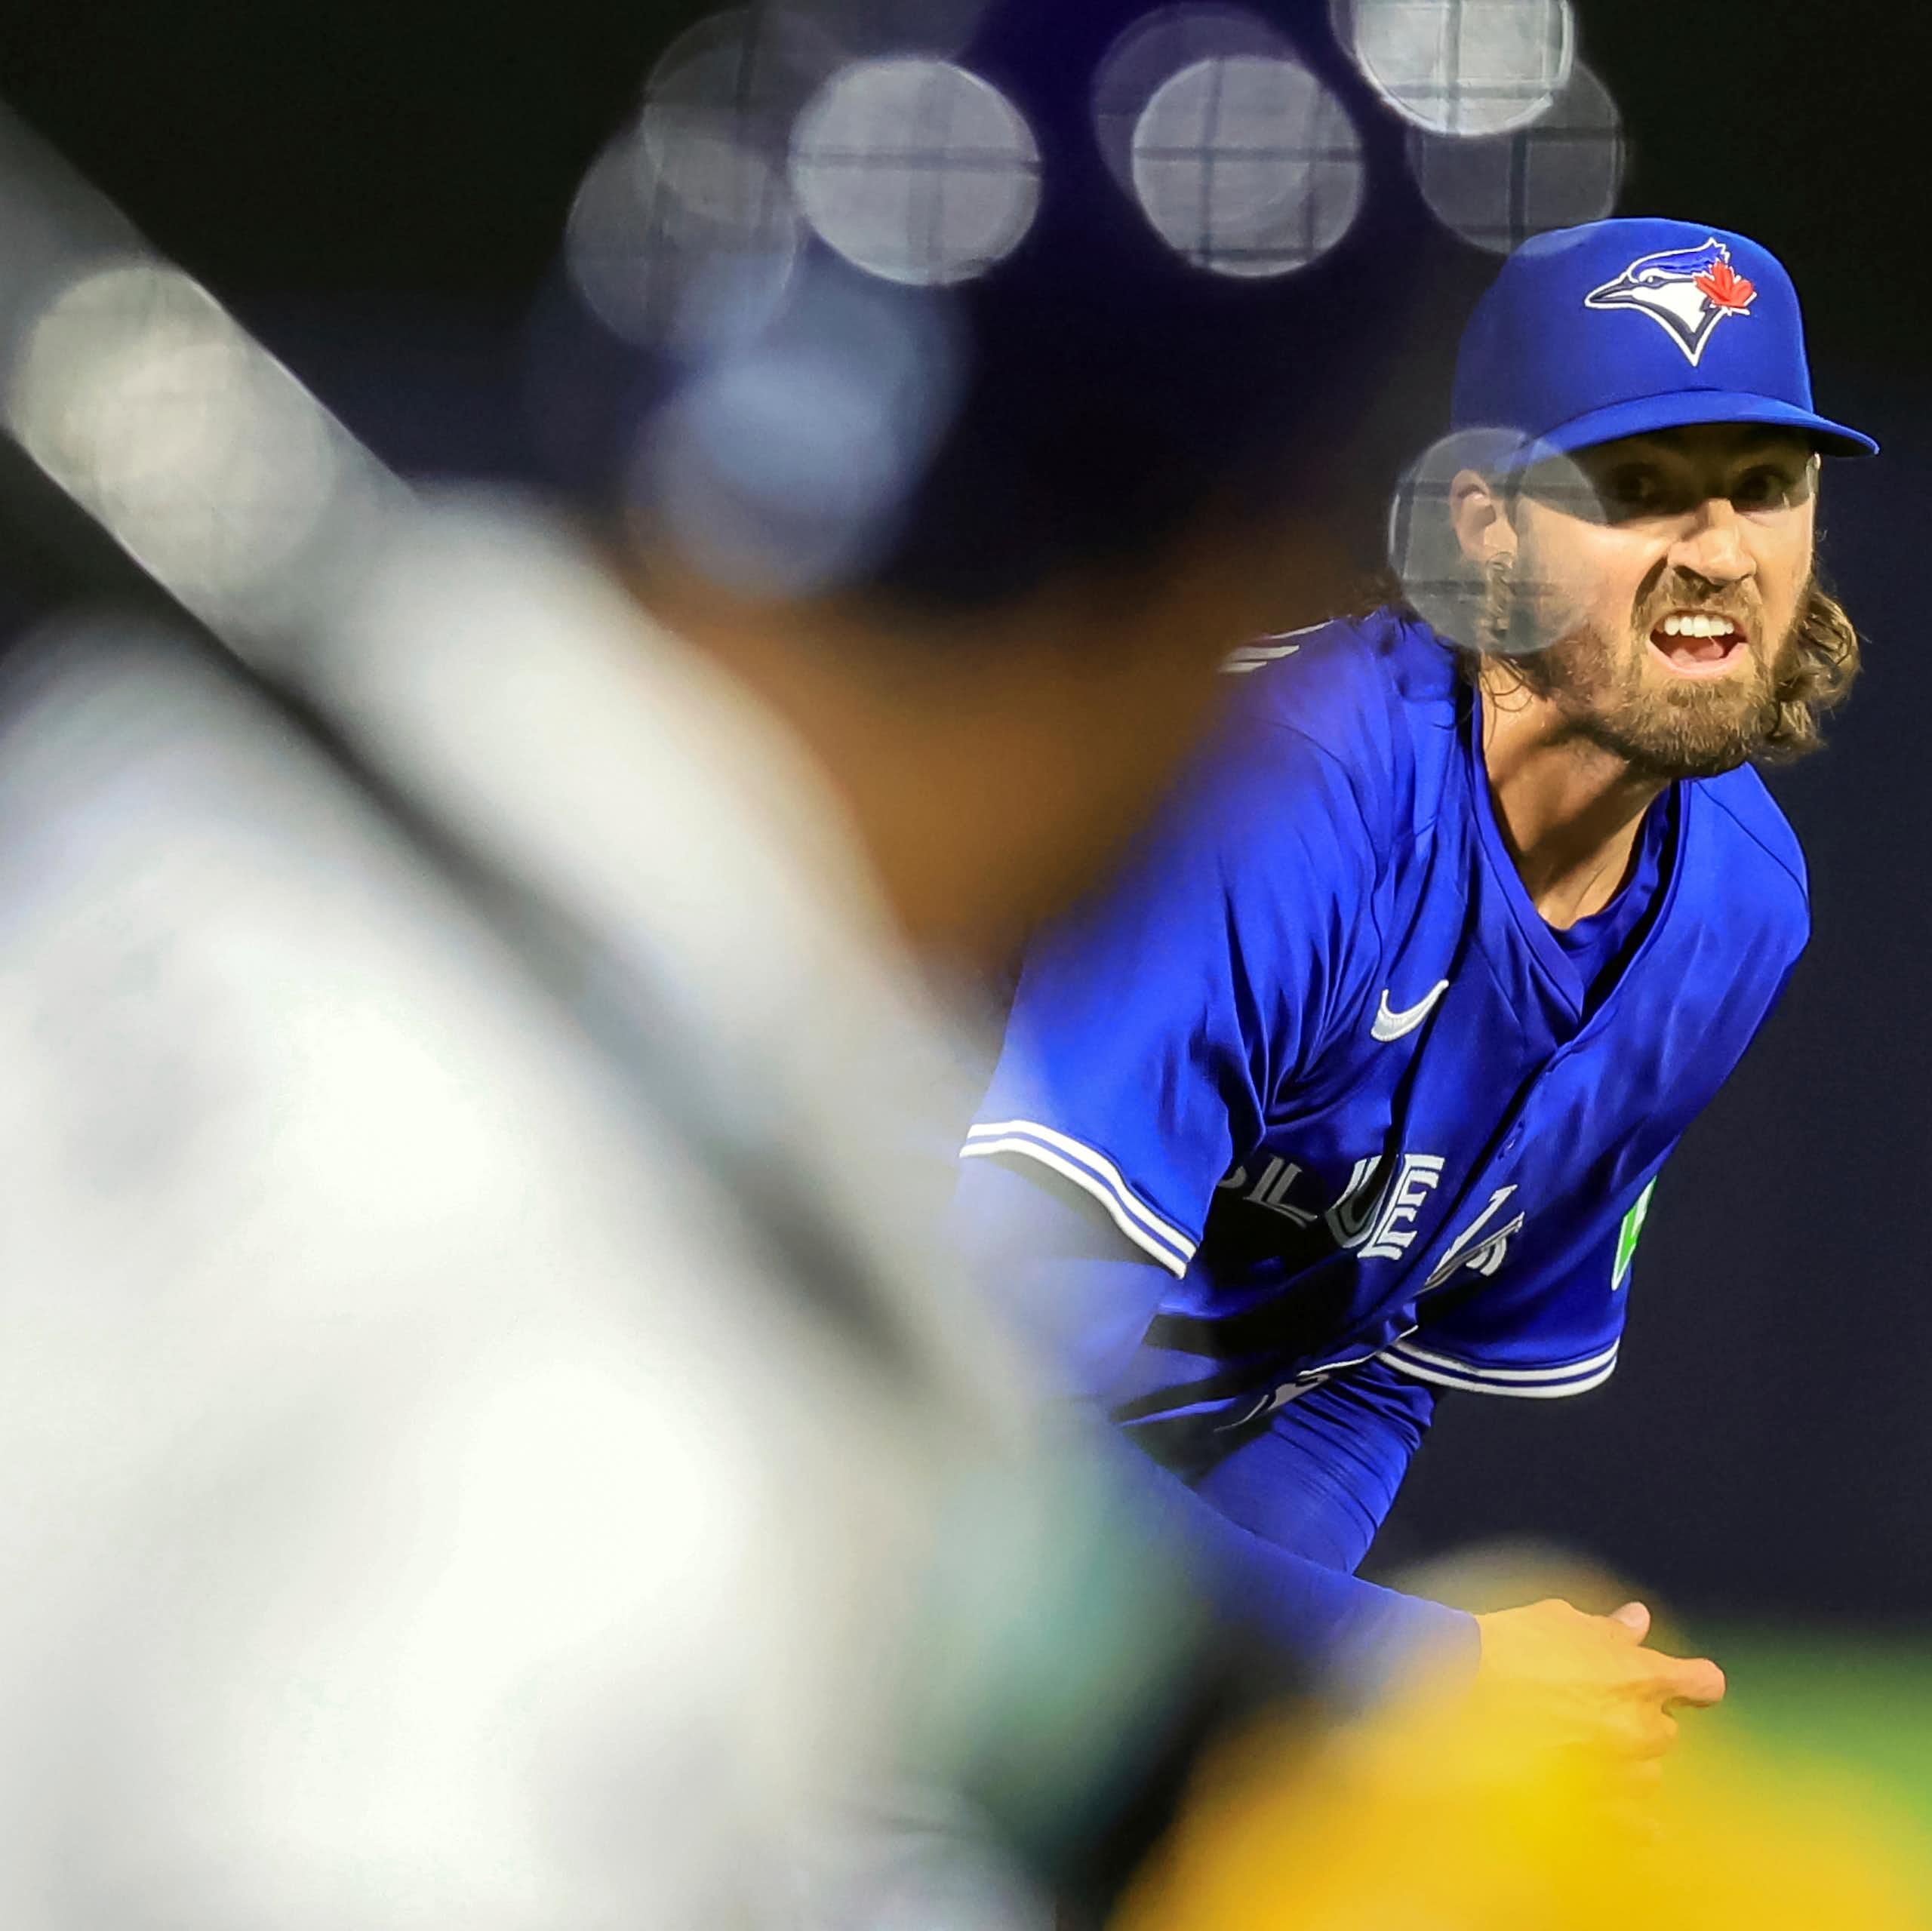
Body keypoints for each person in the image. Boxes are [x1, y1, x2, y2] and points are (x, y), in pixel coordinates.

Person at [954, 218, 1876, 1744]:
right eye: (1635, 485)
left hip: (1085, 1555)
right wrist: (1380, 1660)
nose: (1716, 549)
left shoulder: (1735, 906)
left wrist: (1254, 1706)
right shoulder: (1281, 797)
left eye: (1763, 487)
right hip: (809, 1458)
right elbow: (978, 1403)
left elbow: (1363, 1363)